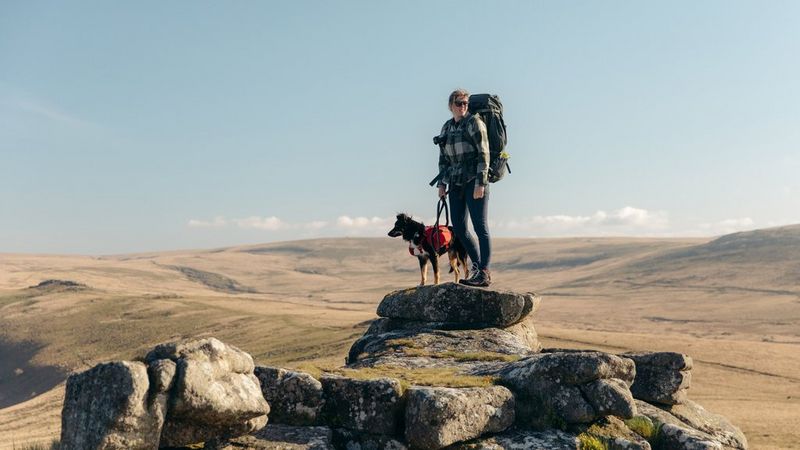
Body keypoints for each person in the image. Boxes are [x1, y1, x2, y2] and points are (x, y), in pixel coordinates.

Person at [435, 89, 492, 287]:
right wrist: (442, 184)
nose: (463, 106)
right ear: (451, 105)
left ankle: (483, 272)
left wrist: (481, 183)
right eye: (459, 103)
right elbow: (443, 159)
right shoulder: (446, 128)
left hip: (474, 182)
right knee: (459, 227)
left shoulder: (475, 123)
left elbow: (484, 154)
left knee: (480, 226)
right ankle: (476, 267)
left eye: (466, 103)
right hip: (455, 182)